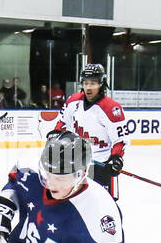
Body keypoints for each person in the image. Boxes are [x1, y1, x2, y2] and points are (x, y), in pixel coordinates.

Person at [51, 63, 129, 198]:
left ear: (102, 83)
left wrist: (116, 158)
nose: (88, 87)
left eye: (93, 83)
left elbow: (120, 140)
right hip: (76, 162)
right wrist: (56, 132)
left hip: (101, 164)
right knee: (74, 202)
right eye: (85, 83)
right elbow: (63, 123)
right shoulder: (73, 101)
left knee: (105, 205)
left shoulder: (112, 108)